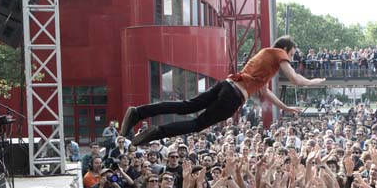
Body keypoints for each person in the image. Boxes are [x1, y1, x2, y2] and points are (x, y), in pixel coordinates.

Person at [120, 36, 326, 145]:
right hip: (234, 97)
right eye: (292, 54)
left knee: (187, 106)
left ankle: (138, 112)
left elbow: (265, 93)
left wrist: (286, 108)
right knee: (196, 124)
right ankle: (155, 133)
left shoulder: (265, 59)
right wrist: (313, 82)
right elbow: (295, 79)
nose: (291, 58)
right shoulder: (279, 53)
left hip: (227, 85)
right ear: (287, 49)